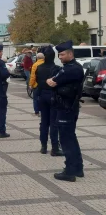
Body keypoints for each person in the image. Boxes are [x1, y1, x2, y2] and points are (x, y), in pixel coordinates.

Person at [46, 40, 84, 182]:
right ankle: (77, 168)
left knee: (66, 140)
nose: (60, 57)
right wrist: (53, 81)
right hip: (67, 107)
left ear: (70, 54)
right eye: (59, 54)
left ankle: (69, 171)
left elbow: (52, 81)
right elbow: (52, 81)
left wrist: (54, 82)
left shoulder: (71, 69)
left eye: (62, 54)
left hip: (66, 108)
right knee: (71, 138)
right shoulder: (70, 67)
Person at [36, 46, 63, 157]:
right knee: (53, 123)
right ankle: (55, 148)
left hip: (42, 96)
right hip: (53, 95)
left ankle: (43, 146)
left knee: (44, 122)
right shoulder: (57, 68)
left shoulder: (39, 67)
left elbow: (37, 81)